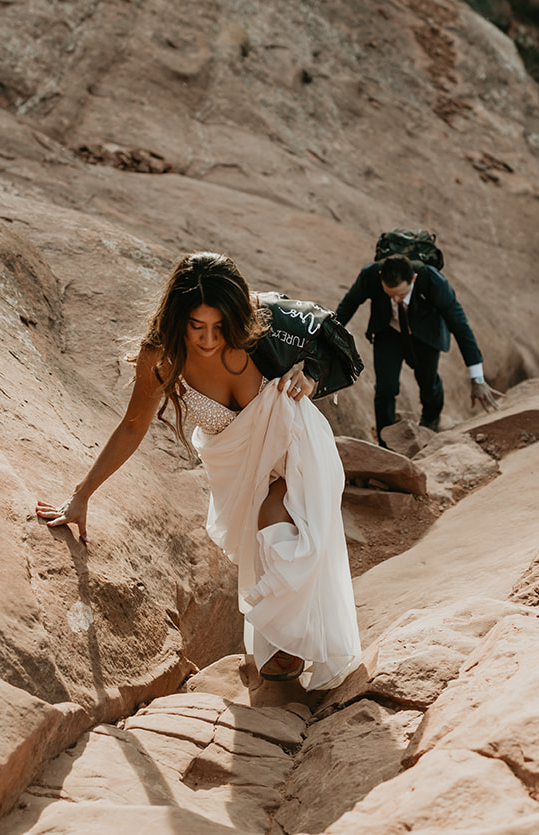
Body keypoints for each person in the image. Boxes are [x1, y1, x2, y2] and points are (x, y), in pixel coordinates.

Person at [37, 253, 361, 690]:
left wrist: (310, 378)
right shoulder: (162, 358)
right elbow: (132, 426)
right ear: (178, 318)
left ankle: (291, 641)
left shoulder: (257, 331)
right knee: (264, 538)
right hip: (240, 467)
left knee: (277, 518)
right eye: (196, 326)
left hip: (298, 447)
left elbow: (324, 335)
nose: (208, 340)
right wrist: (82, 495)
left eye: (218, 326)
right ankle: (291, 638)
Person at [333, 252, 502, 439]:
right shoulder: (370, 275)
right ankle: (385, 438)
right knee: (385, 388)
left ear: (413, 279)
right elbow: (348, 305)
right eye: (390, 295)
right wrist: (329, 337)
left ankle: (430, 421)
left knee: (427, 381)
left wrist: (477, 378)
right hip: (388, 331)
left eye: (400, 295)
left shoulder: (434, 282)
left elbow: (460, 326)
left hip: (425, 332)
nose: (396, 301)